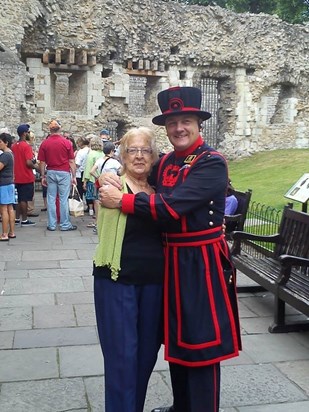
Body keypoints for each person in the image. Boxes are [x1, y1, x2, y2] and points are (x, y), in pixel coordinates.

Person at [99, 86, 241, 412]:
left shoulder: (211, 162)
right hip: (171, 263)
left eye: (185, 121)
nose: (178, 128)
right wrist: (107, 178)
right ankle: (182, 407)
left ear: (198, 124)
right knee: (178, 343)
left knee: (202, 346)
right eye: (172, 122)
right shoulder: (165, 163)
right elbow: (134, 171)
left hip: (201, 264)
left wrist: (122, 200)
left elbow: (171, 207)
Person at [93, 127, 164, 412]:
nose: (138, 156)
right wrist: (104, 177)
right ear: (121, 156)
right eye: (131, 150)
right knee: (122, 358)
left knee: (146, 356)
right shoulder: (113, 186)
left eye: (144, 150)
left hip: (155, 285)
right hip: (116, 281)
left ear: (153, 157)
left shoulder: (160, 191)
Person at [37, 120, 77, 231]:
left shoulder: (45, 143)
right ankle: (65, 224)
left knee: (51, 199)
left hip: (50, 172)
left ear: (49, 129)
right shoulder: (66, 142)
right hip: (64, 172)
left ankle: (52, 224)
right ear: (60, 128)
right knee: (63, 199)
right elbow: (71, 161)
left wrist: (42, 176)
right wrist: (73, 176)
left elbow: (42, 162)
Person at [11, 124, 39, 226]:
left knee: (18, 199)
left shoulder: (14, 146)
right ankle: (24, 219)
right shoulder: (26, 146)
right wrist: (36, 166)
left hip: (16, 176)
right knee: (24, 199)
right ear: (24, 133)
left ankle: (17, 218)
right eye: (27, 132)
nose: (28, 133)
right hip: (25, 176)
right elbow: (28, 162)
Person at [82, 136, 103, 219]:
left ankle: (96, 216)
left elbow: (88, 168)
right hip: (102, 179)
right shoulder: (102, 154)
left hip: (93, 179)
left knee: (95, 199)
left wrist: (85, 181)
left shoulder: (91, 154)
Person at [0, 133, 16, 240]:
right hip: (9, 183)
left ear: (6, 143)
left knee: (4, 209)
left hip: (4, 184)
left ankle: (4, 234)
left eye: (0, 142)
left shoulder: (5, 155)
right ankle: (11, 232)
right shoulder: (10, 153)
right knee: (10, 208)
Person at [75, 136, 90, 200]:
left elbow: (77, 164)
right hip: (88, 172)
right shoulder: (90, 150)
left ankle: (80, 205)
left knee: (80, 191)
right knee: (87, 191)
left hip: (80, 173)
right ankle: (90, 207)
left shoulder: (80, 152)